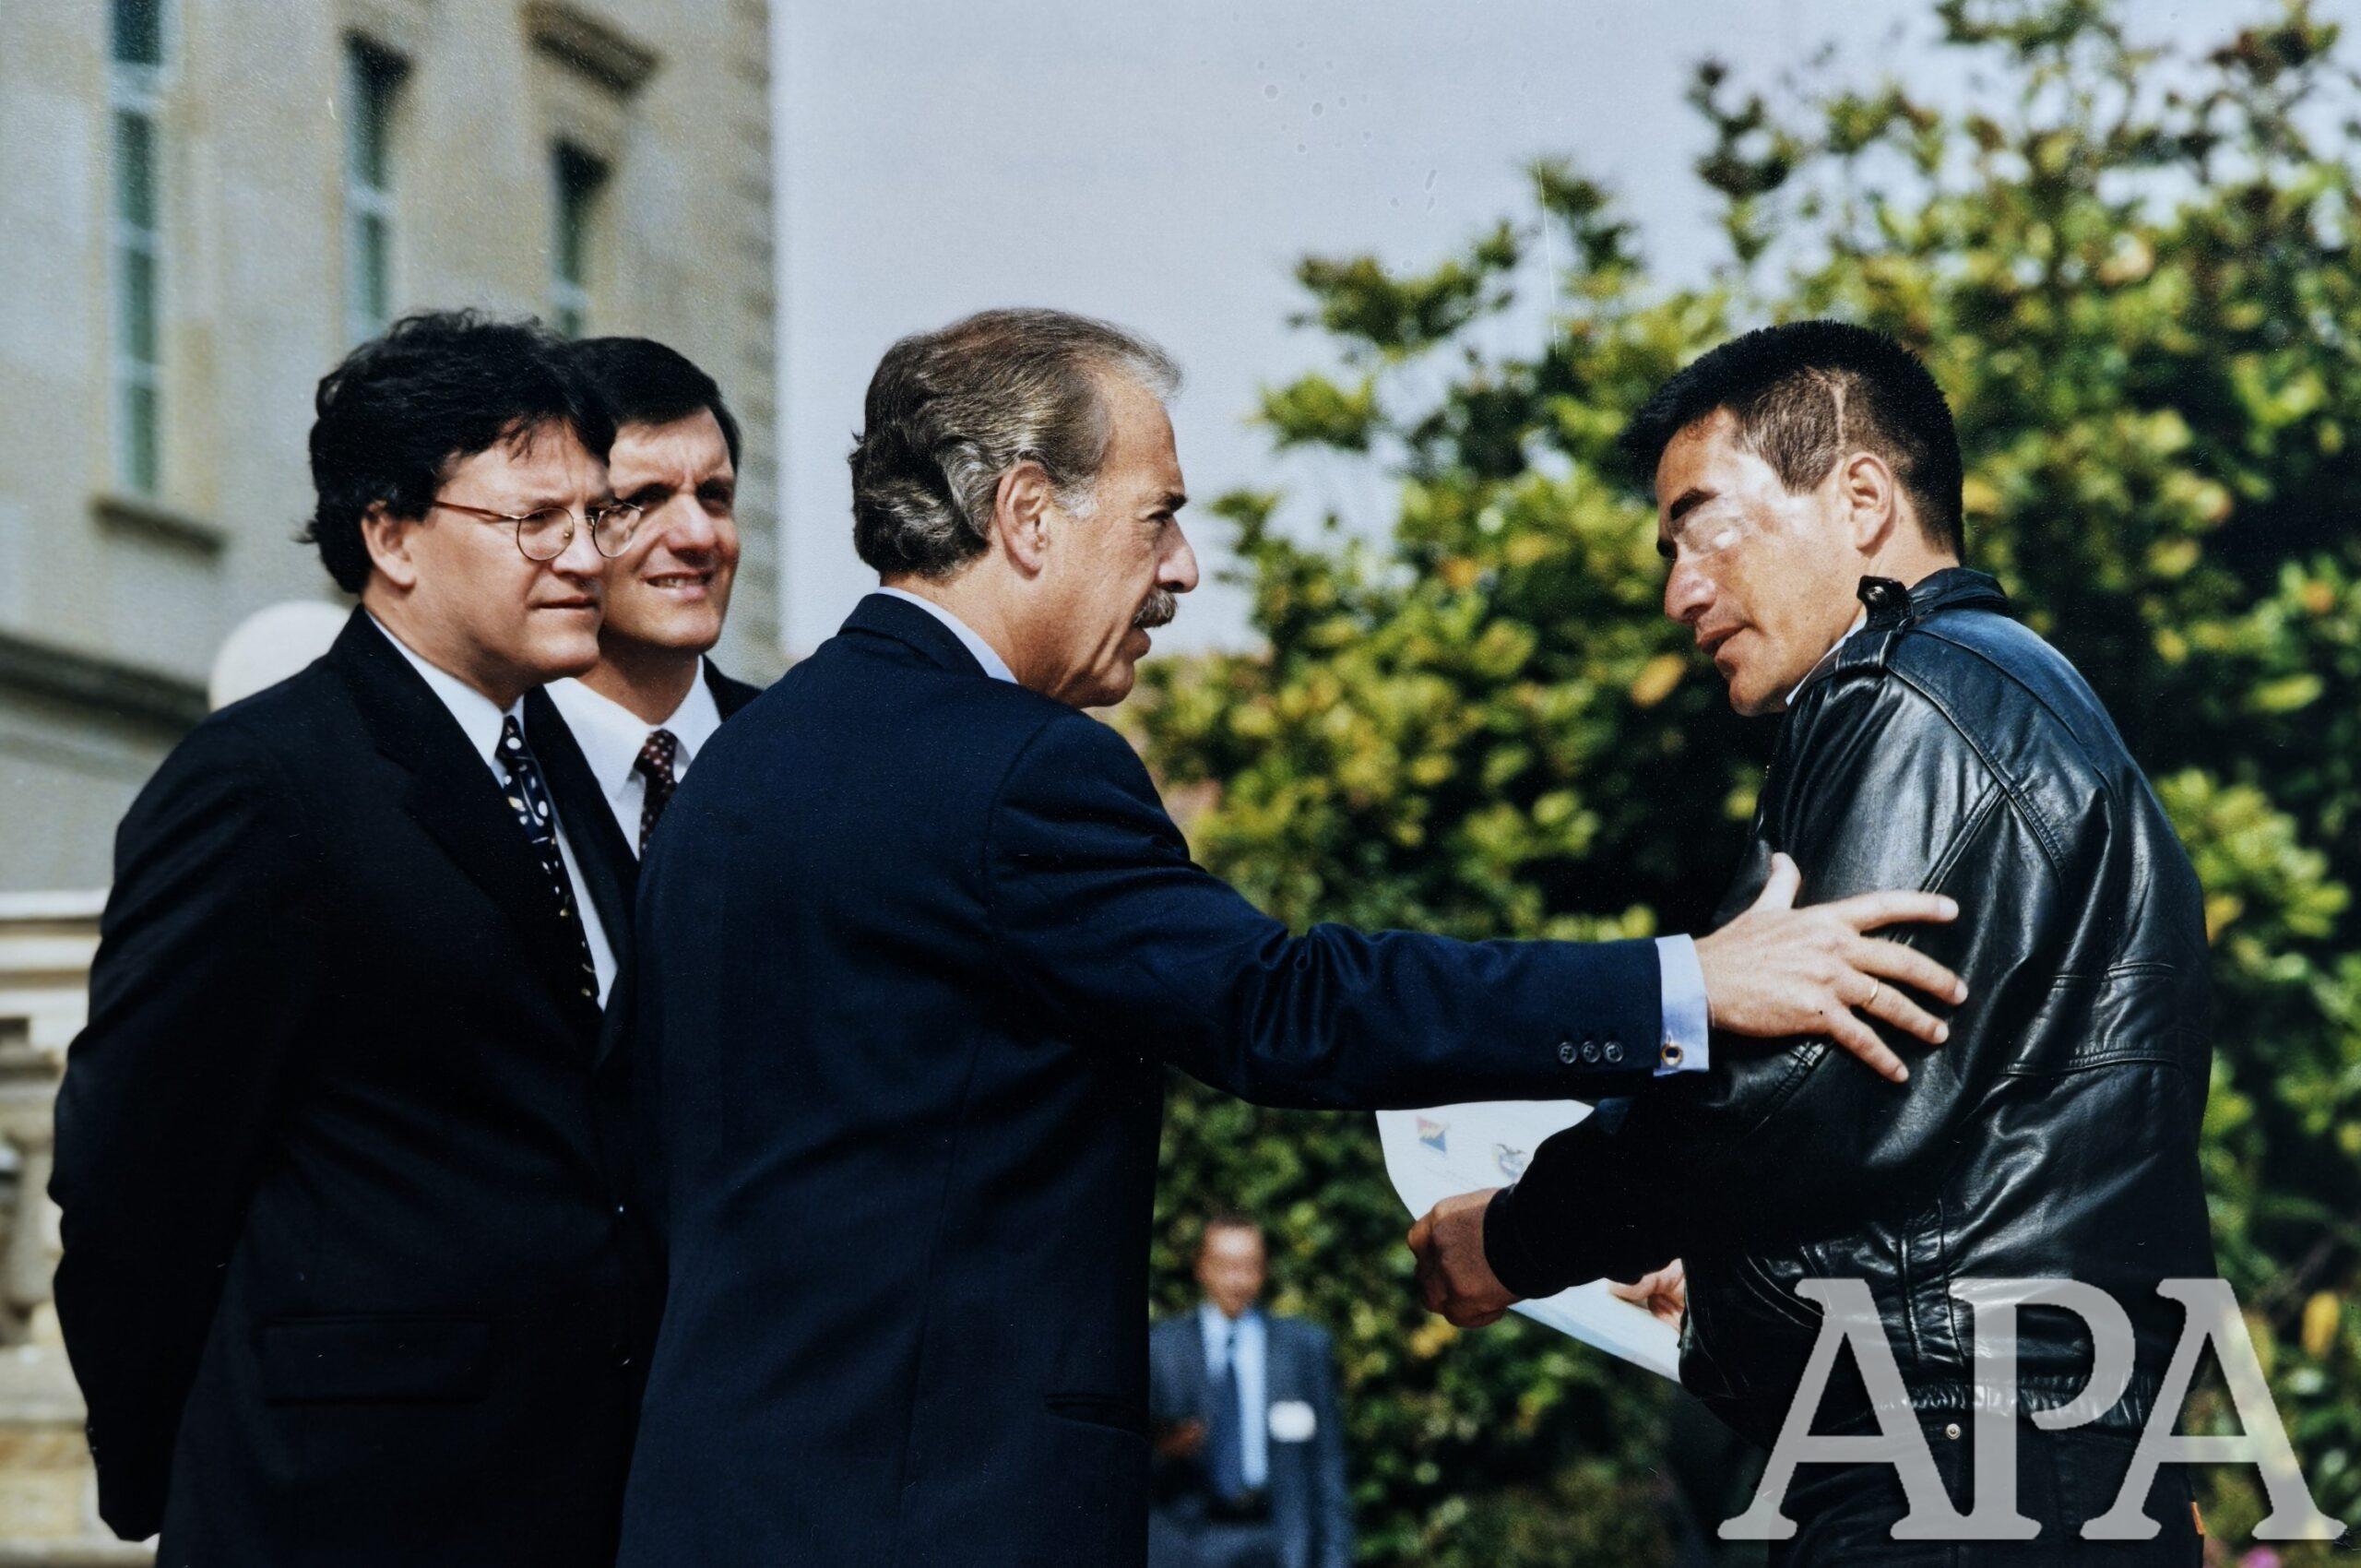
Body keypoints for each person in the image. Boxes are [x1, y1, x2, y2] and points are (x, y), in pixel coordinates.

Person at [615, 307, 1968, 1567]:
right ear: (1027, 514)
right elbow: (1283, 1004)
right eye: (1158, 518)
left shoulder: (729, 770)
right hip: (940, 1516)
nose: (1182, 569)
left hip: (700, 1503)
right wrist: (1686, 984)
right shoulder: (1019, 769)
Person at [1408, 321, 2215, 1562]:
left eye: (1705, 527)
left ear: (1861, 498)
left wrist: (1516, 1237)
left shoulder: (1907, 693)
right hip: (2002, 1447)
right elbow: (1918, 1133)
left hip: (1951, 1456)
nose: (1680, 590)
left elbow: (1792, 1079)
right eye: (1668, 551)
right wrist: (1731, 1266)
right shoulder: (1994, 690)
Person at [51, 311, 655, 1565]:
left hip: (580, 1489)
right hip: (345, 1502)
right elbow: (133, 1171)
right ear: (390, 534)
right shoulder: (261, 780)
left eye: (596, 516)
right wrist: (175, 1460)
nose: (586, 555)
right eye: (535, 520)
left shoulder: (568, 763)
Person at [527, 338, 764, 923]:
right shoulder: (497, 761)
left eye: (714, 496)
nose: (698, 536)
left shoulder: (802, 755)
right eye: (644, 500)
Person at [1148, 1216, 1351, 1568]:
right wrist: (1166, 1448)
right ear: (1201, 1267)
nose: (1237, 1280)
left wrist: (1334, 1558)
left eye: (1248, 1266)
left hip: (1276, 1537)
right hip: (1187, 1539)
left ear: (1264, 1269)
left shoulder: (1301, 1348)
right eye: (1225, 1266)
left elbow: (1327, 1465)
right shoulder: (1162, 1347)